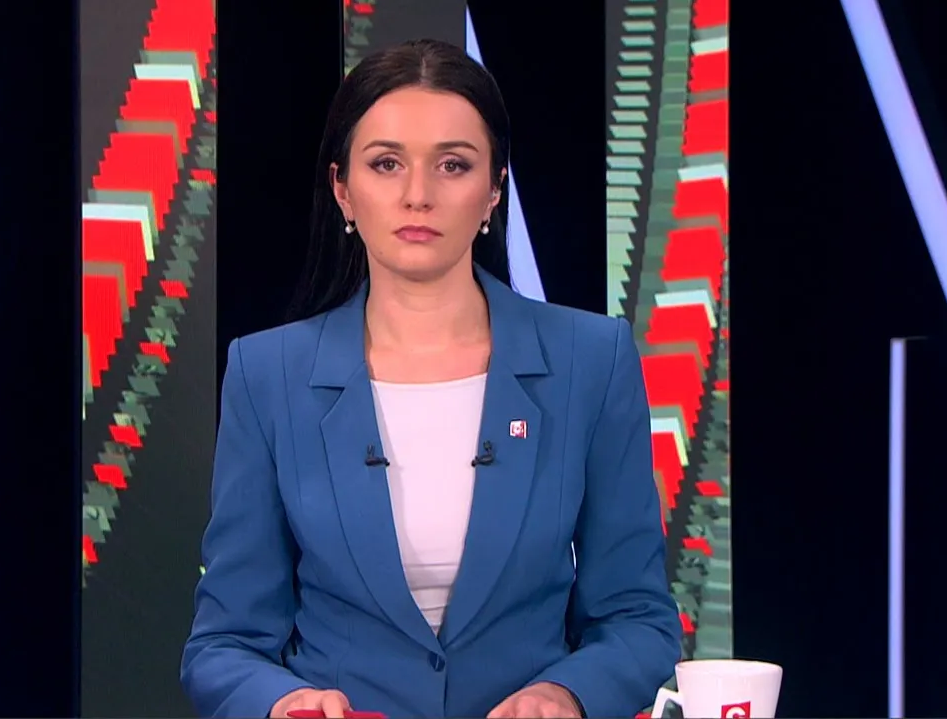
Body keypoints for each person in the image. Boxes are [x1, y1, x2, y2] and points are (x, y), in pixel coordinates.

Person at [182, 39, 681, 718]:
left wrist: (565, 694)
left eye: (453, 165)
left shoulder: (591, 361)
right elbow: (224, 643)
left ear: (494, 189)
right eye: (386, 164)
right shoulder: (268, 375)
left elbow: (638, 618)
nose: (418, 196)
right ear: (342, 189)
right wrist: (286, 702)